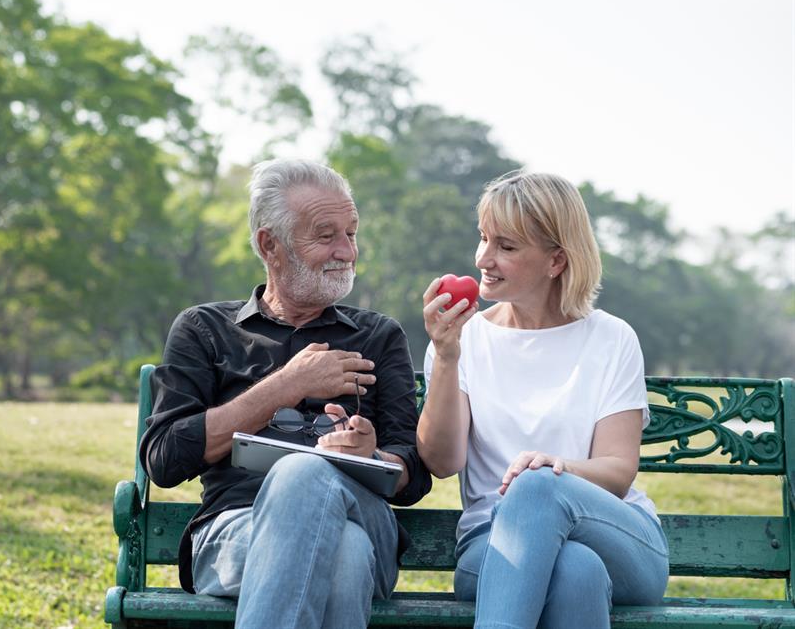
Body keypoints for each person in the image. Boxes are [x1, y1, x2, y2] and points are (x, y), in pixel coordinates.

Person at [140, 159, 432, 629]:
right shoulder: (204, 329)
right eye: (326, 235)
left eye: (351, 233)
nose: (346, 251)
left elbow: (413, 474)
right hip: (235, 529)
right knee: (345, 557)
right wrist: (287, 385)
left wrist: (374, 456)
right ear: (269, 245)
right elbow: (165, 459)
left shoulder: (379, 336)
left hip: (365, 517)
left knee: (308, 479)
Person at [418, 171, 668, 629]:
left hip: (621, 540)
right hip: (491, 543)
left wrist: (555, 470)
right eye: (484, 239)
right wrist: (448, 359)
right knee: (576, 571)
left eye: (506, 247)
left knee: (536, 484)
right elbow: (441, 460)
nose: (484, 258)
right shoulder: (461, 339)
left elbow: (617, 472)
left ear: (556, 261)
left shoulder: (611, 338)